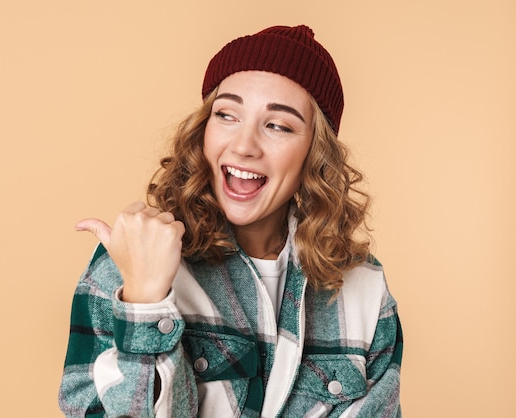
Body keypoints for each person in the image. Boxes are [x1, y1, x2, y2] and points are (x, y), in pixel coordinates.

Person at [58, 24, 403, 417]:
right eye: (227, 115)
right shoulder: (129, 260)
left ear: (315, 152)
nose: (243, 145)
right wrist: (145, 303)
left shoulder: (365, 288)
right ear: (203, 129)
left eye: (277, 125)